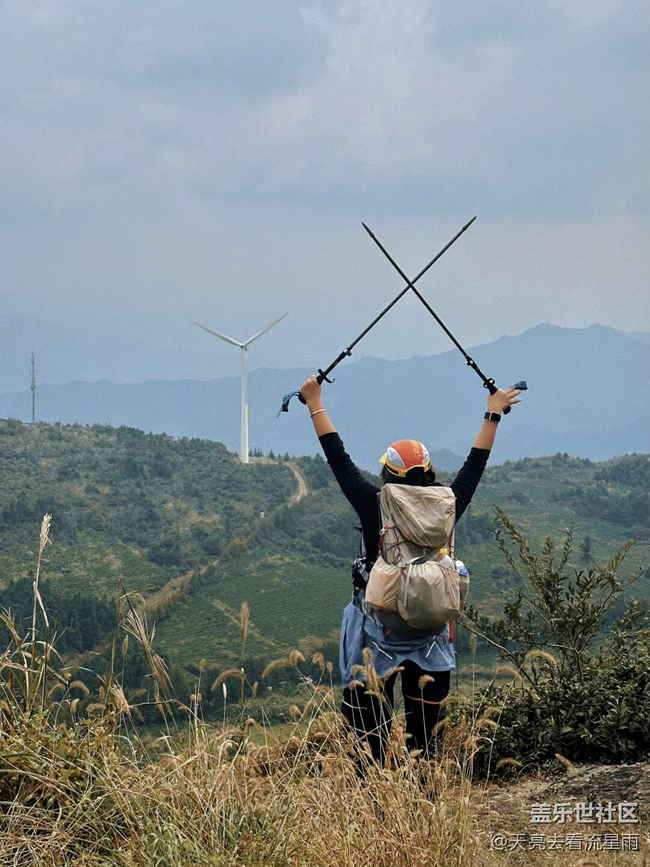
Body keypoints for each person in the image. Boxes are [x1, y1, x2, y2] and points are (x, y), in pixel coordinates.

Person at [300, 374, 522, 765]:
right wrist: (493, 412)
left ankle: (374, 807)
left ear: (388, 474)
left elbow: (337, 457)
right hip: (432, 636)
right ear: (429, 473)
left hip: (376, 632)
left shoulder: (373, 504)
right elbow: (475, 465)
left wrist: (315, 401)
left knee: (367, 740)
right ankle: (424, 803)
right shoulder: (450, 503)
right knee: (426, 741)